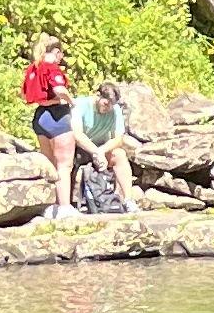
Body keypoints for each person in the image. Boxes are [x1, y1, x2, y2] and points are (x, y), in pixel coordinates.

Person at [67, 75, 141, 217]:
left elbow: (119, 139)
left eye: (111, 105)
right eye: (106, 104)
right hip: (80, 148)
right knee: (67, 159)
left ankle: (128, 199)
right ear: (98, 96)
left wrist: (101, 151)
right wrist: (95, 152)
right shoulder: (81, 105)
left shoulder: (115, 111)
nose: (108, 108)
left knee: (119, 154)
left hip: (101, 147)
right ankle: (68, 203)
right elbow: (77, 134)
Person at [19, 37, 78, 215]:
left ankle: (51, 207)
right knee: (64, 165)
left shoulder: (33, 68)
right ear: (56, 52)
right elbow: (60, 89)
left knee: (51, 164)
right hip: (56, 116)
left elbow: (24, 95)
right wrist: (71, 101)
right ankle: (65, 208)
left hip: (40, 117)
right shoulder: (52, 68)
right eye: (61, 54)